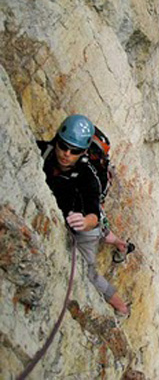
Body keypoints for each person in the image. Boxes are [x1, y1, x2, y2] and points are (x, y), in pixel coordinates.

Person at [37, 114, 129, 315]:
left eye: (75, 151)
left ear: (84, 152)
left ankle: (122, 308)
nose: (67, 154)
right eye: (63, 146)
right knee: (103, 230)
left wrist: (84, 222)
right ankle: (120, 243)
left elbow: (94, 215)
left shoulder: (88, 177)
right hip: (70, 210)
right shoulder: (43, 151)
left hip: (83, 225)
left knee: (89, 273)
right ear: (57, 141)